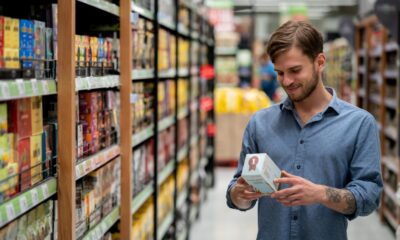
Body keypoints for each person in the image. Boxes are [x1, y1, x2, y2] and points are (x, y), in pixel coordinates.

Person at [226, 20, 382, 240]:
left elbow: (369, 197)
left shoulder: (358, 124)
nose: (287, 81)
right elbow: (236, 193)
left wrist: (320, 194)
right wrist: (240, 194)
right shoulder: (260, 123)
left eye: (295, 70)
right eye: (280, 73)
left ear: (320, 62)